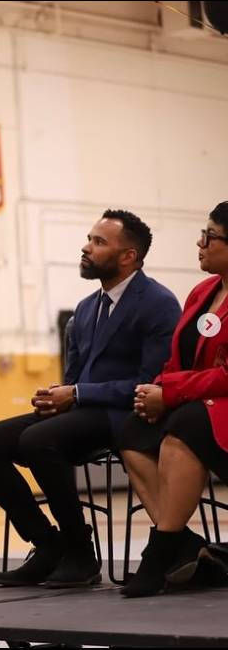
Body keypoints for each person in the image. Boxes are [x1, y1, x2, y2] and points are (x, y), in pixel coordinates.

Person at [0, 210, 181, 588]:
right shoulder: (85, 309)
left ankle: (81, 552)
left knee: (38, 439)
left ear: (128, 256)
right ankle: (49, 545)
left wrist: (78, 394)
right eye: (89, 238)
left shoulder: (159, 303)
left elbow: (150, 383)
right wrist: (55, 397)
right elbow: (74, 378)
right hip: (83, 413)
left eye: (99, 242)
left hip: (127, 417)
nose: (86, 247)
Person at [116, 202, 228, 597]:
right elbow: (178, 356)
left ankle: (160, 552)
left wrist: (173, 394)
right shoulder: (202, 291)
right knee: (131, 429)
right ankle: (185, 547)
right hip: (202, 400)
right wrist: (158, 387)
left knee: (185, 423)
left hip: (218, 406)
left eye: (211, 236)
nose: (200, 242)